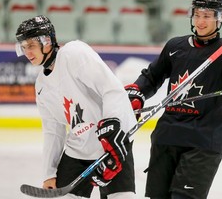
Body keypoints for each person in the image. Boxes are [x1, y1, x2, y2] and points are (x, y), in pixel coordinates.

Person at [124, 0, 222, 199]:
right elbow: (152, 78)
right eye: (197, 14)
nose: (200, 21)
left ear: (219, 18)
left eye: (207, 16)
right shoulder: (175, 46)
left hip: (203, 144)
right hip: (166, 138)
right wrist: (137, 93)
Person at [15, 15, 137, 199]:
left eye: (31, 45)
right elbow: (53, 130)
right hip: (78, 149)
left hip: (112, 143)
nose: (27, 52)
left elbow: (111, 88)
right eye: (23, 47)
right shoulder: (41, 85)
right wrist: (49, 173)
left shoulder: (74, 53)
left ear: (47, 41)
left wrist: (114, 127)